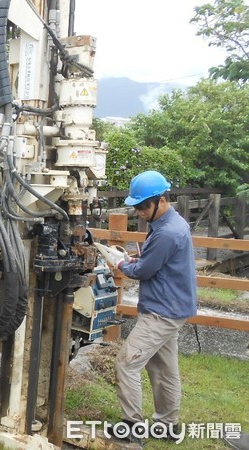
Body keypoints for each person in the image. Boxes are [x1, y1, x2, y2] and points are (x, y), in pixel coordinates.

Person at [109, 170, 198, 444]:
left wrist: (120, 263)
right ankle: (167, 426)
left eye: (144, 206)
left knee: (127, 363)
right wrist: (138, 257)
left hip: (162, 312)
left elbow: (145, 271)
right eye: (136, 207)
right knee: (164, 370)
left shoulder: (167, 232)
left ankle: (132, 428)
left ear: (161, 200)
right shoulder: (169, 224)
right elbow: (156, 260)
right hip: (173, 308)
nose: (140, 212)